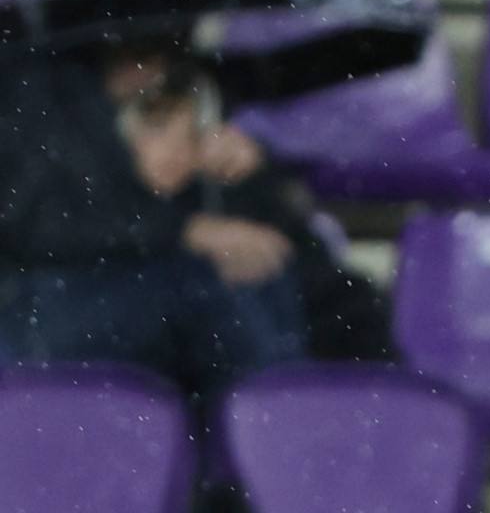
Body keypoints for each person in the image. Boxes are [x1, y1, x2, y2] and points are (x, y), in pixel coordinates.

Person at [0, 49, 309, 403]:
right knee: (206, 287)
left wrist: (245, 175)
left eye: (190, 136)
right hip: (36, 307)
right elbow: (43, 227)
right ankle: (270, 426)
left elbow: (280, 241)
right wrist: (184, 231)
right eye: (159, 129)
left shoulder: (186, 159)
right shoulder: (43, 102)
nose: (177, 149)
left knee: (260, 270)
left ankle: (278, 413)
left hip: (112, 297)